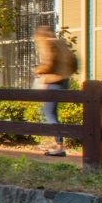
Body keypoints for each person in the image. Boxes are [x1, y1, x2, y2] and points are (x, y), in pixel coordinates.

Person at [33, 26, 76, 156]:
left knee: (48, 113)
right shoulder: (61, 43)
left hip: (52, 82)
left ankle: (59, 146)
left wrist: (37, 71)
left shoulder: (48, 43)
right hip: (63, 81)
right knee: (49, 113)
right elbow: (74, 62)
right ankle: (55, 142)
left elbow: (48, 63)